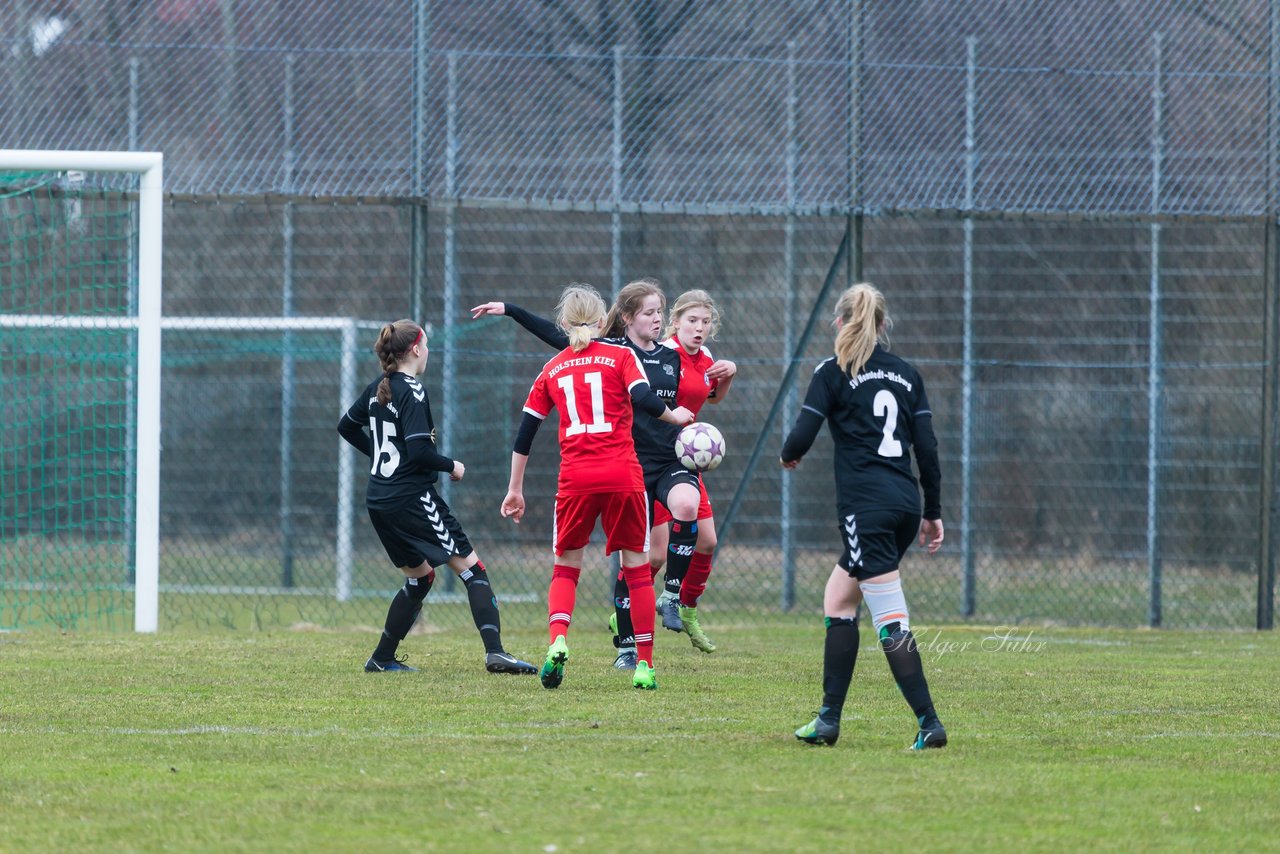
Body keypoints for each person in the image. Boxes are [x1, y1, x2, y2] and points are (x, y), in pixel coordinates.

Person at [471, 281, 734, 663]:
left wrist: (723, 378)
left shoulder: (672, 357)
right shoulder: (613, 351)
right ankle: (629, 647)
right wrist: (511, 309)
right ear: (624, 318)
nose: (657, 319)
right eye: (649, 312)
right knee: (641, 558)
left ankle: (673, 598)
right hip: (628, 464)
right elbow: (558, 335)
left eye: (660, 312)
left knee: (683, 517)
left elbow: (699, 395)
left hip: (663, 460)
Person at [499, 284, 694, 691]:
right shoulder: (621, 356)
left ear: (564, 324)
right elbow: (642, 396)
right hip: (623, 475)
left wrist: (515, 488)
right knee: (637, 571)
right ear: (603, 319)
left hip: (576, 480)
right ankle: (643, 665)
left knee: (566, 569)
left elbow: (525, 432)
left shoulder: (552, 368)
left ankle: (557, 642)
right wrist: (674, 417)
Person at [779, 283, 947, 750]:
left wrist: (789, 455)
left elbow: (801, 435)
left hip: (866, 509)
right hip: (904, 506)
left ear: (839, 324)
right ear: (882, 325)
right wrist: (932, 512)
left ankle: (929, 723)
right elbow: (928, 452)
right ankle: (828, 719)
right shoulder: (908, 374)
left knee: (890, 618)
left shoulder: (832, 372)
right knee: (838, 599)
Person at [337, 319, 537, 676]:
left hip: (380, 499)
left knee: (420, 578)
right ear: (415, 349)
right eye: (426, 345)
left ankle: (381, 658)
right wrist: (451, 466)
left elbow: (346, 425)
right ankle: (496, 653)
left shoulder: (376, 387)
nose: (428, 351)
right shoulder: (412, 390)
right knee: (473, 569)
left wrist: (381, 455)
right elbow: (418, 452)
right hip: (410, 497)